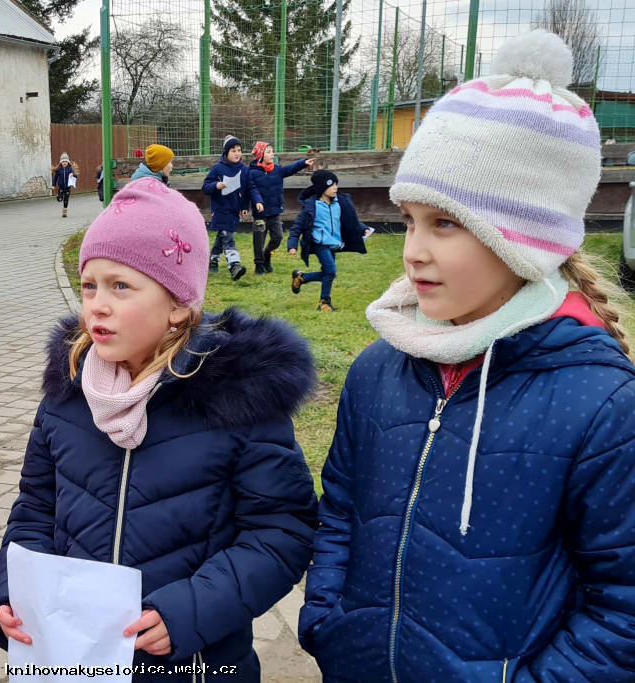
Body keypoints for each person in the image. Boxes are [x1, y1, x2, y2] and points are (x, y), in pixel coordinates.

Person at [299, 31, 635, 682]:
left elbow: (622, 606)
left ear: (523, 240)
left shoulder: (601, 404)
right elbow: (340, 509)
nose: (413, 250)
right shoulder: (377, 370)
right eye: (410, 219)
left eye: (445, 223)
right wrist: (326, 621)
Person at [0, 178, 319, 680]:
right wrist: (14, 591)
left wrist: (192, 610)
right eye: (89, 285)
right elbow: (35, 508)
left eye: (121, 286)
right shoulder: (68, 395)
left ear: (178, 305)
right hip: (74, 658)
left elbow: (281, 532)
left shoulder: (239, 401)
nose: (97, 304)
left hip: (193, 662)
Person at [287, 170, 372, 311]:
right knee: (331, 271)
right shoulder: (311, 207)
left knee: (328, 273)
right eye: (331, 185)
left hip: (333, 243)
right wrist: (292, 245)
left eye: (336, 184)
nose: (335, 188)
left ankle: (301, 277)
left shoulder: (339, 203)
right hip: (320, 243)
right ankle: (324, 303)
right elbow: (297, 227)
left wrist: (363, 229)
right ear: (322, 187)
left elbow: (350, 219)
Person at [248, 141, 315, 275]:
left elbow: (290, 168)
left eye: (272, 151)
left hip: (274, 212)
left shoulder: (277, 170)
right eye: (268, 152)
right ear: (260, 155)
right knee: (259, 240)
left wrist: (303, 163)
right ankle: (259, 264)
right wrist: (257, 202)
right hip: (260, 213)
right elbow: (251, 190)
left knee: (278, 237)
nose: (272, 154)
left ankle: (267, 254)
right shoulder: (252, 173)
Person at [202, 136, 263, 281]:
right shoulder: (218, 168)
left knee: (222, 236)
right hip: (220, 209)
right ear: (226, 152)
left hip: (234, 210)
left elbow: (250, 188)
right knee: (228, 237)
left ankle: (212, 261)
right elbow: (205, 187)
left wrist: (256, 201)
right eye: (233, 150)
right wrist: (216, 185)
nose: (237, 153)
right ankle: (234, 265)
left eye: (239, 150)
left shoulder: (244, 170)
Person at [52, 153, 78, 218]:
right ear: (61, 162)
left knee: (66, 200)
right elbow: (55, 178)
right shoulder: (59, 170)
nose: (64, 163)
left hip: (68, 187)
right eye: (63, 161)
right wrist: (53, 185)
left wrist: (73, 174)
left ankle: (64, 212)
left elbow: (76, 175)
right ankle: (58, 196)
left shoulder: (70, 169)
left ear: (68, 162)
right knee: (60, 199)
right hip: (61, 187)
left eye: (66, 161)